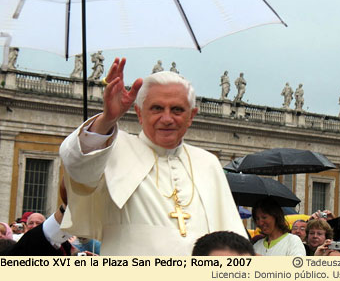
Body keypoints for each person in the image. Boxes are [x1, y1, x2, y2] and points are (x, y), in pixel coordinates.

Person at [59, 57, 247, 255]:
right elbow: (76, 164)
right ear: (139, 113)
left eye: (177, 110)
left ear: (191, 116)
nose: (167, 119)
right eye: (157, 108)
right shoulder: (111, 148)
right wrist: (108, 119)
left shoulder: (208, 162)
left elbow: (234, 243)